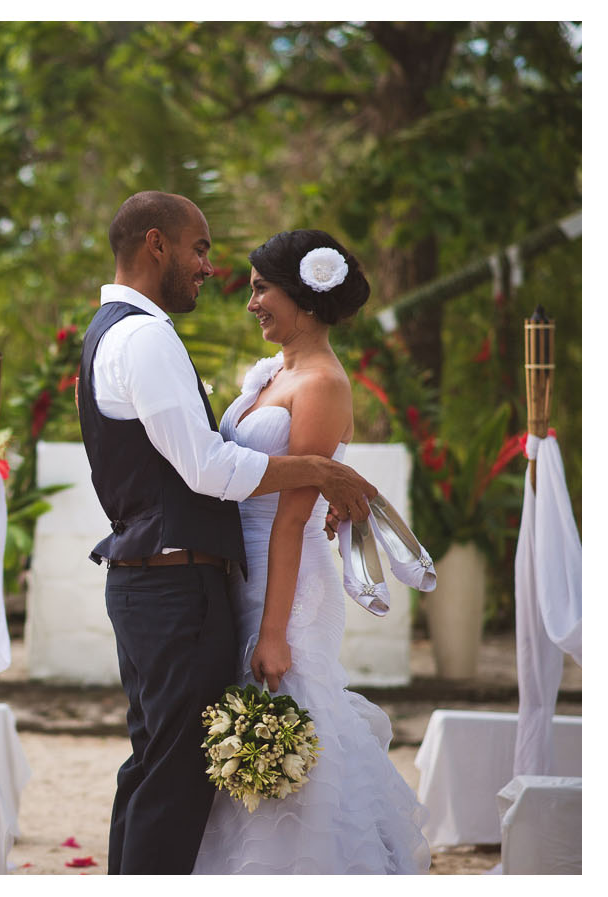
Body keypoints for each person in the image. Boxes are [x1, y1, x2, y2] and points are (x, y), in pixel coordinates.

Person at [77, 191, 380, 874]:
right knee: (172, 773)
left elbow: (270, 486)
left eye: (259, 286)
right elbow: (209, 465)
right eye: (202, 248)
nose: (209, 270)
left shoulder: (118, 331)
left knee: (164, 767)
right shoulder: (146, 336)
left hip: (214, 580)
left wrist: (325, 475)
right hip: (178, 583)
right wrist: (322, 472)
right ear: (157, 243)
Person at [191, 230, 428, 873]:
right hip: (243, 570)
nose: (253, 304)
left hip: (288, 582)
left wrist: (273, 631)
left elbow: (294, 517)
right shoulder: (273, 372)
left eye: (263, 289)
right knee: (243, 724)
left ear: (306, 298)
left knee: (287, 707)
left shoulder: (321, 384)